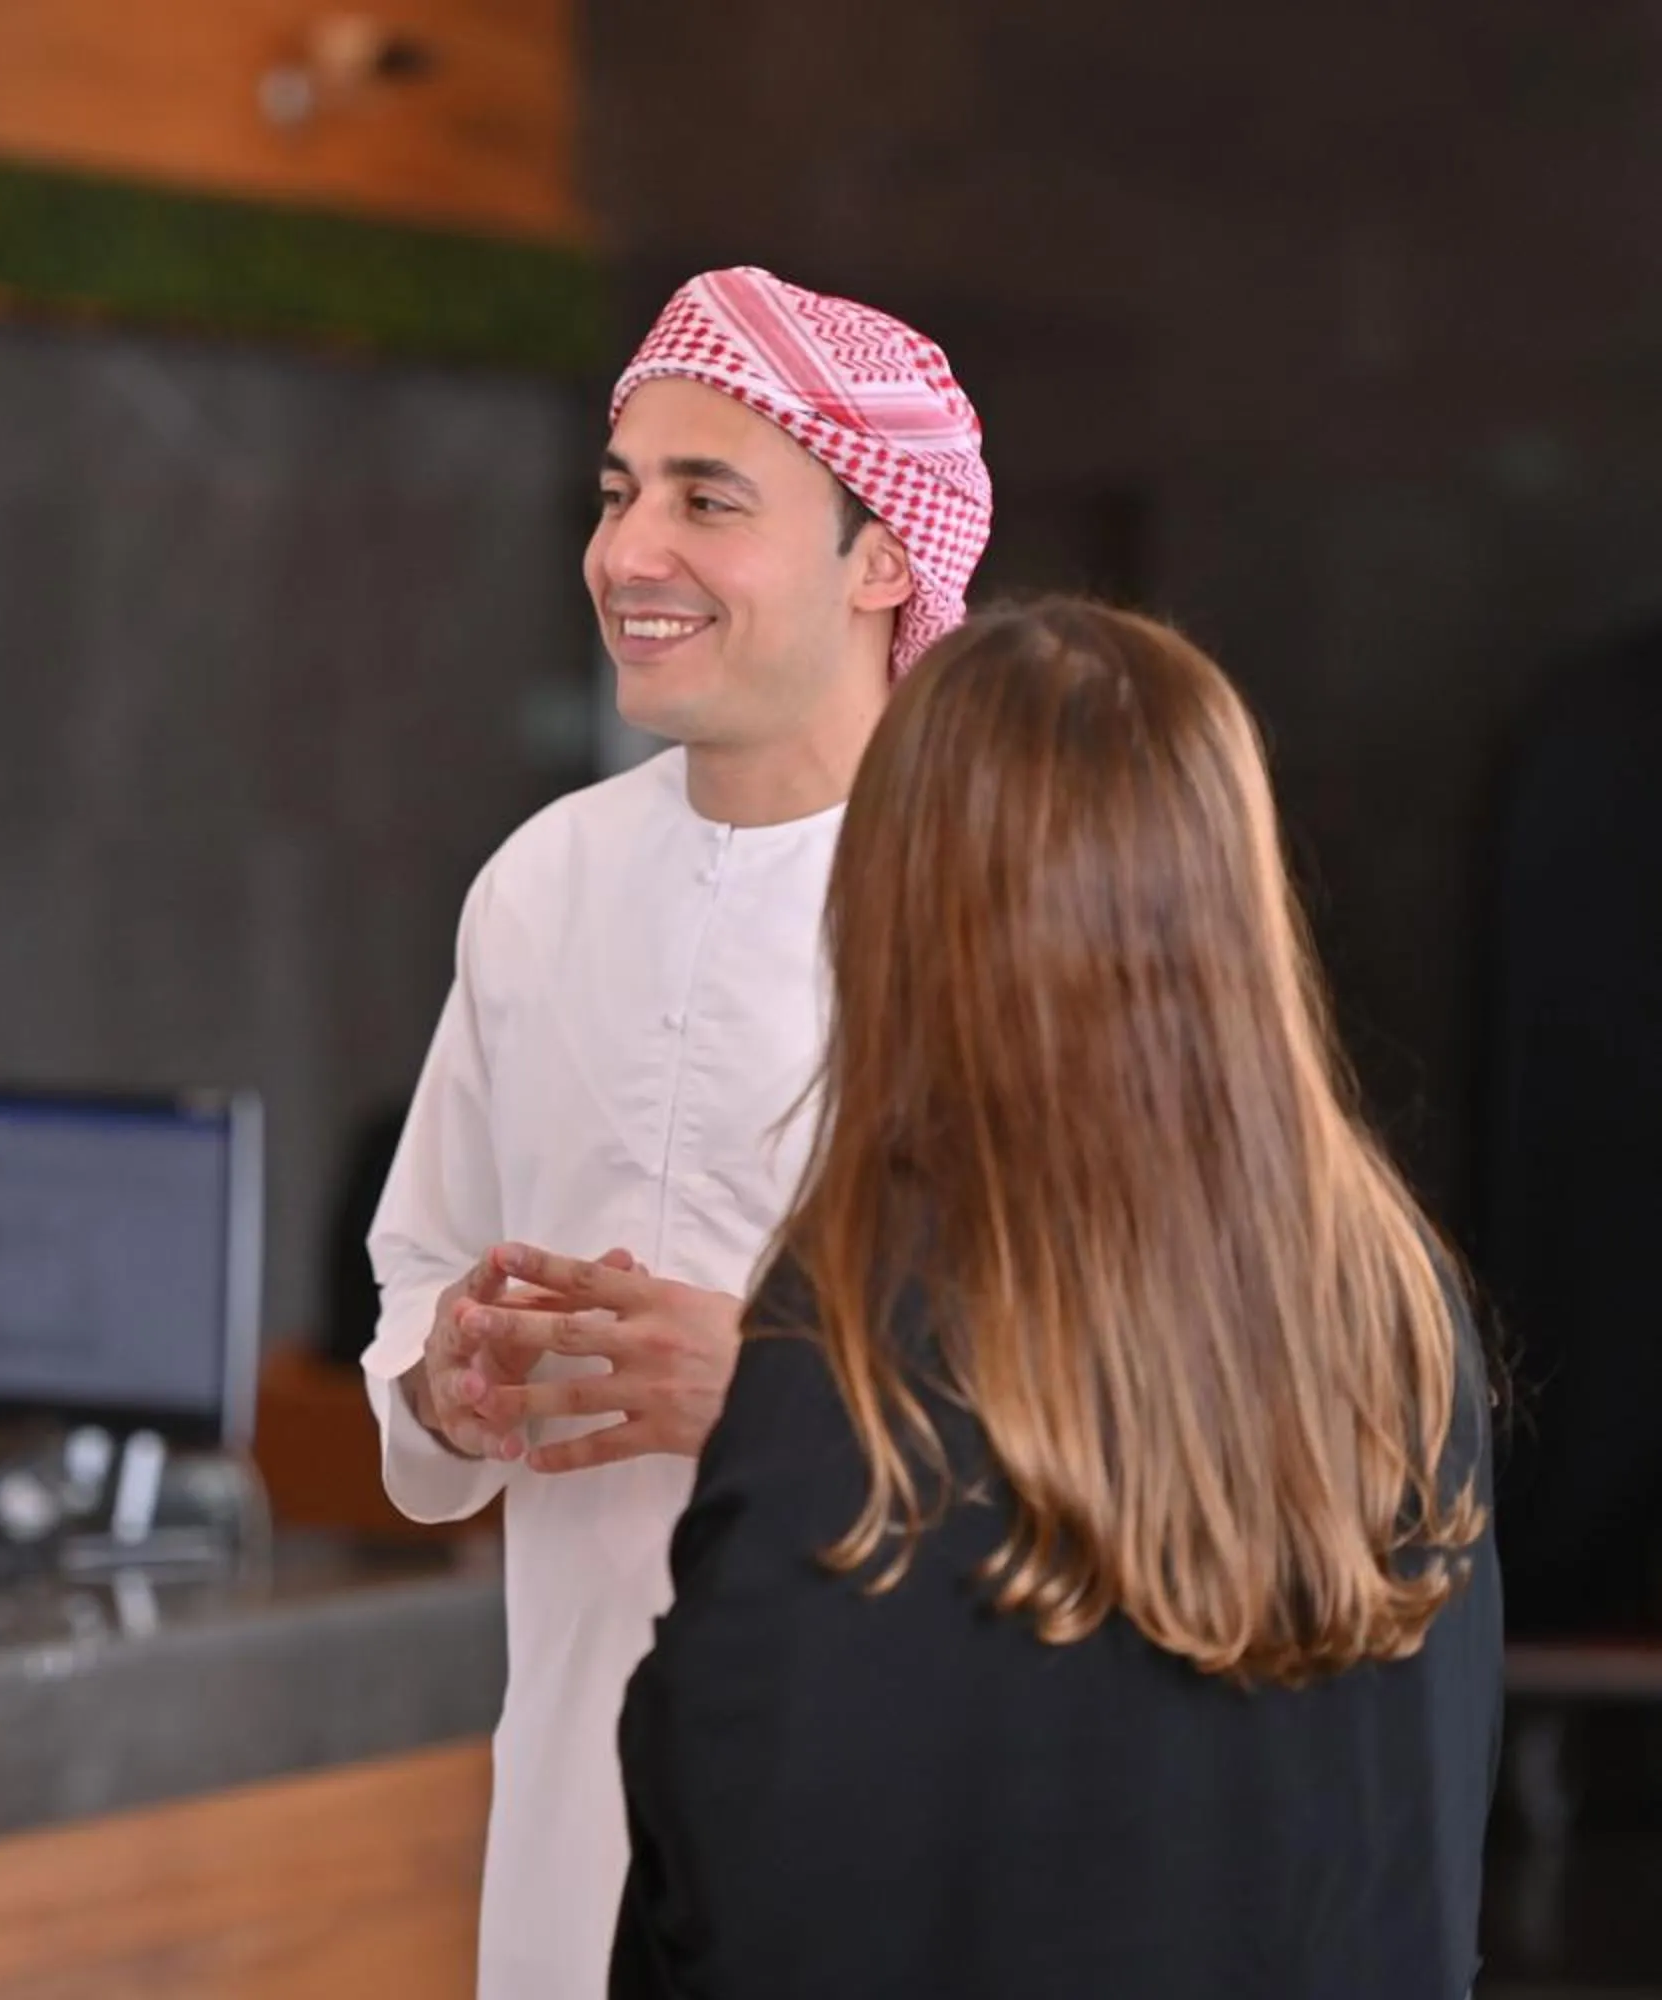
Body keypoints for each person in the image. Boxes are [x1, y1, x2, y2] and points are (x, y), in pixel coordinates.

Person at [552, 599, 1500, 1997]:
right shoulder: (1396, 1306)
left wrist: (778, 1414)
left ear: (892, 899)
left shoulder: (858, 1357)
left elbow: (742, 1900)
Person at [362, 266, 993, 1996]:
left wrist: (782, 1391)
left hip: (926, 1809)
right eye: (621, 493)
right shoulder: (541, 879)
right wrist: (448, 1378)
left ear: (884, 559)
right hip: (575, 1807)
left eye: (711, 499)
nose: (631, 552)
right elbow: (418, 1266)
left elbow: (1141, 1383)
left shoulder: (1006, 902)